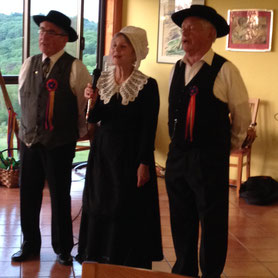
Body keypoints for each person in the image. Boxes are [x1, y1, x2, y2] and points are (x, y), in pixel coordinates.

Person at [165, 5, 252, 278]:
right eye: (183, 28)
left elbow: (241, 117)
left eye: (192, 27)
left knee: (212, 222)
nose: (184, 32)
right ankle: (185, 269)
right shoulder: (176, 68)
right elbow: (173, 111)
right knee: (181, 219)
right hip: (178, 158)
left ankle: (211, 273)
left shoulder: (226, 70)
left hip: (209, 159)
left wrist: (224, 148)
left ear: (210, 34)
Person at [76, 26, 163, 269]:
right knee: (99, 204)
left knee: (124, 207)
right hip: (103, 152)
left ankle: (123, 259)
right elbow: (96, 118)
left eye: (122, 46)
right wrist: (91, 101)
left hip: (131, 155)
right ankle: (99, 255)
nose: (116, 50)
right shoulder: (103, 80)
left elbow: (149, 128)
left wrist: (144, 163)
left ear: (135, 52)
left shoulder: (147, 85)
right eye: (114, 45)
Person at [11, 10, 91, 265]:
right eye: (41, 30)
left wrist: (75, 135)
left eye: (49, 32)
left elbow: (82, 108)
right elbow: (25, 100)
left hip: (59, 143)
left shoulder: (76, 67)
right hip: (30, 142)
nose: (43, 36)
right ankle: (29, 244)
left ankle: (64, 248)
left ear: (64, 38)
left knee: (60, 194)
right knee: (28, 195)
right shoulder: (29, 63)